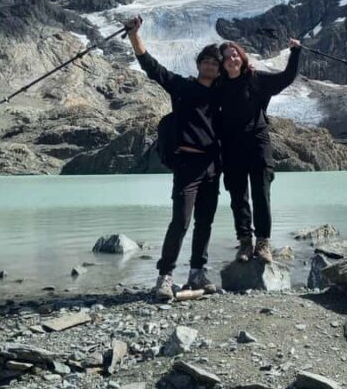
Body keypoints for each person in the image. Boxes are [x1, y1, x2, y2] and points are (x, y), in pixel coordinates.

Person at [126, 16, 222, 301]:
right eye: (206, 61)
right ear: (199, 64)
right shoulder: (183, 87)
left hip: (212, 167)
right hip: (187, 165)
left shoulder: (223, 95)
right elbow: (152, 68)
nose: (210, 66)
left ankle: (197, 273)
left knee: (205, 222)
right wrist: (134, 36)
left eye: (215, 64)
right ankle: (165, 277)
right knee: (180, 221)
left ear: (218, 70)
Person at [217, 38, 301, 263]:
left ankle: (263, 243)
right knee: (238, 196)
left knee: (261, 194)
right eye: (226, 57)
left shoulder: (256, 80)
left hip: (257, 143)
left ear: (241, 57)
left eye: (234, 54)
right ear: (222, 63)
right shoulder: (218, 86)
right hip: (232, 147)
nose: (231, 59)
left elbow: (286, 78)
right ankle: (245, 242)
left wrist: (295, 52)